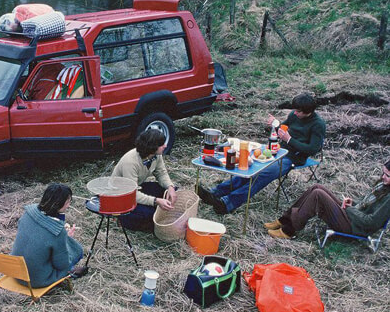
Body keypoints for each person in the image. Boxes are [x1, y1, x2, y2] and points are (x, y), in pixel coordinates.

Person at [198, 93, 326, 214]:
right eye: (295, 110)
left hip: (293, 157)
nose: (295, 113)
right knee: (247, 164)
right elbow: (282, 128)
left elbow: (312, 149)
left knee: (263, 174)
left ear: (308, 111)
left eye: (299, 112)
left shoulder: (318, 124)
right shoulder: (294, 115)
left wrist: (289, 139)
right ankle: (215, 193)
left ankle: (227, 203)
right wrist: (275, 125)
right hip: (276, 150)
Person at [266, 159, 390, 239]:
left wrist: (350, 209)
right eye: (383, 173)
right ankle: (285, 220)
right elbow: (366, 205)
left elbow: (371, 222)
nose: (383, 177)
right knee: (317, 187)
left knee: (318, 194)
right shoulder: (383, 185)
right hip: (353, 216)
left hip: (355, 227)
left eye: (387, 175)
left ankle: (289, 230)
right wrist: (354, 203)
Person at [11, 183, 86, 288]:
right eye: (68, 202)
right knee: (77, 250)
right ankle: (70, 273)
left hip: (14, 270)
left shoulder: (29, 211)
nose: (69, 205)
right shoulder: (57, 232)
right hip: (35, 280)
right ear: (59, 204)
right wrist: (66, 239)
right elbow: (61, 264)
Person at [110, 129, 178, 232]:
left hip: (137, 187)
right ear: (152, 147)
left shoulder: (156, 155)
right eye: (161, 144)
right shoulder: (130, 162)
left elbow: (161, 173)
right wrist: (156, 201)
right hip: (122, 196)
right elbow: (132, 194)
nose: (165, 146)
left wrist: (170, 187)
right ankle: (122, 219)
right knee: (150, 213)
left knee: (174, 192)